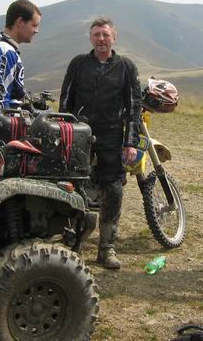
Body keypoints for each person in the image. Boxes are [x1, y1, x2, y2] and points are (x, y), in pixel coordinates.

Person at [60, 16, 142, 269]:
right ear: (90, 38)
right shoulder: (78, 64)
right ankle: (72, 242)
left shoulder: (126, 67)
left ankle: (107, 247)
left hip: (111, 134)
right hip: (79, 132)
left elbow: (134, 107)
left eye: (105, 34)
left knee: (113, 188)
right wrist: (63, 131)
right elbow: (65, 100)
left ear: (113, 38)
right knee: (73, 185)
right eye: (96, 34)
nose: (101, 39)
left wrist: (130, 142)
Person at [0, 0, 41, 114]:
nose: (37, 31)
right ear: (20, 22)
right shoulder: (3, 52)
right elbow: (0, 105)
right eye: (34, 25)